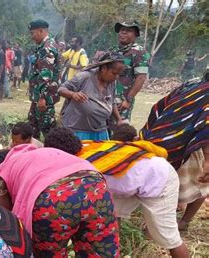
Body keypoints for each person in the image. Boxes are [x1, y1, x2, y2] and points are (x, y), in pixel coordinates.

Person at [46, 126, 190, 258]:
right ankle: (111, 249)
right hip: (138, 176)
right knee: (110, 214)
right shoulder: (87, 145)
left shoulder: (83, 166)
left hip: (158, 180)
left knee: (168, 236)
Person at [0, 144, 119, 257]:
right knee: (101, 251)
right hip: (96, 189)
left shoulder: (5, 169)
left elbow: (5, 216)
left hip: (53, 202)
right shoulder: (45, 152)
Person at [140, 71, 208, 231]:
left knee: (164, 184)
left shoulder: (192, 84)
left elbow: (159, 106)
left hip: (162, 141)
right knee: (200, 185)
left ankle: (166, 221)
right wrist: (208, 160)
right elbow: (207, 127)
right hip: (189, 145)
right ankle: (180, 222)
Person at [58, 51, 125, 140]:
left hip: (100, 131)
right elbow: (61, 89)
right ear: (104, 68)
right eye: (114, 73)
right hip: (77, 130)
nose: (116, 77)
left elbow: (111, 102)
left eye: (118, 74)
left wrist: (119, 119)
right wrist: (73, 94)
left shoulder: (111, 82)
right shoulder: (84, 77)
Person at [111, 20, 150, 125]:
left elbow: (141, 78)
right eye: (122, 30)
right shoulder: (113, 50)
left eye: (128, 31)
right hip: (107, 98)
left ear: (135, 34)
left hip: (122, 100)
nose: (123, 32)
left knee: (119, 130)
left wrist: (128, 100)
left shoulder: (139, 52)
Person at [28, 19, 60, 139]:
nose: (32, 37)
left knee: (48, 130)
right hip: (38, 97)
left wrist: (42, 97)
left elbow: (46, 75)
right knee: (32, 126)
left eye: (33, 33)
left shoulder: (47, 48)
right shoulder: (43, 46)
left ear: (41, 31)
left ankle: (54, 154)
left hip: (44, 98)